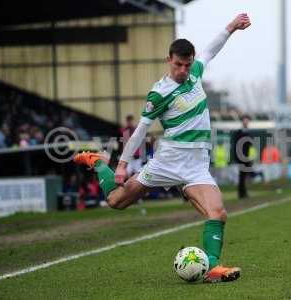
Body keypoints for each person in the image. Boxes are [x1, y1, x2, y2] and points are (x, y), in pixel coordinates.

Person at [74, 13, 251, 283]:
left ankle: (212, 268)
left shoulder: (195, 73)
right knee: (116, 201)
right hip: (167, 162)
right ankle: (99, 163)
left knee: (218, 212)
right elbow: (141, 130)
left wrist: (231, 27)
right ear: (169, 60)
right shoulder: (159, 93)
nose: (183, 70)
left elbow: (210, 50)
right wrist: (121, 164)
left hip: (196, 166)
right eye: (179, 65)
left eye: (187, 65)